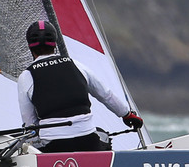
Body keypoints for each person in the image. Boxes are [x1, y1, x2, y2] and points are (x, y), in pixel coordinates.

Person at [17, 20, 143, 152]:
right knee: (100, 135)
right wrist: (127, 114)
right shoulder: (76, 64)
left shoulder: (26, 76)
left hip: (54, 147)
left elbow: (30, 122)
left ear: (30, 46)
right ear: (54, 44)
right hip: (88, 141)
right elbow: (106, 95)